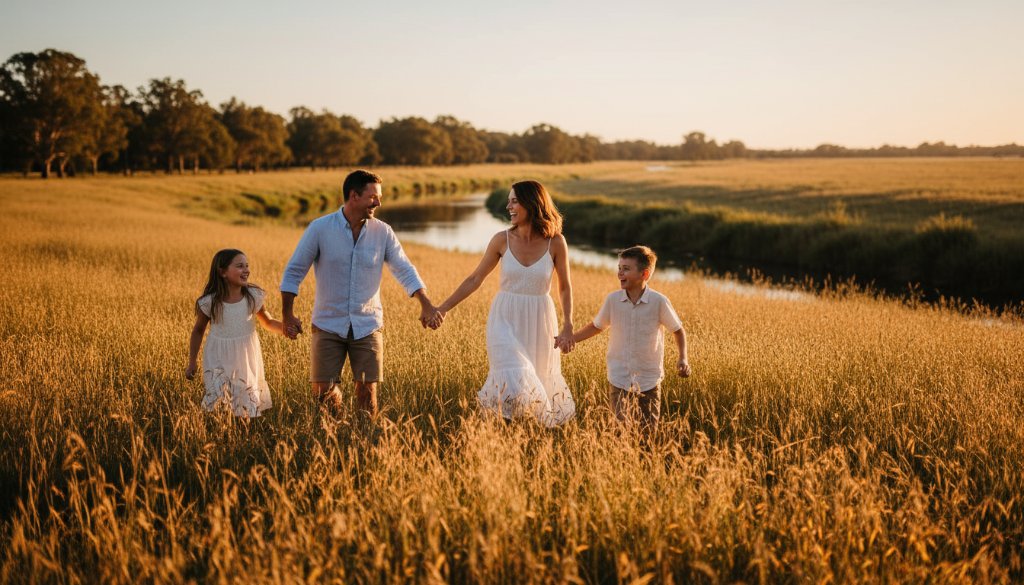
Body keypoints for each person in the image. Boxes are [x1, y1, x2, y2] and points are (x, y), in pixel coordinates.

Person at [280, 170, 441, 418]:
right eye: (373, 197)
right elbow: (294, 272)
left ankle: (365, 440)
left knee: (367, 392)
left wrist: (426, 304)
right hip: (327, 323)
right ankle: (333, 439)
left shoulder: (383, 232)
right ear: (353, 196)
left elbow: (405, 269)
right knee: (323, 393)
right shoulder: (320, 228)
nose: (378, 202)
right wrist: (287, 315)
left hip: (367, 325)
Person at [437, 180, 576, 426]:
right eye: (508, 200)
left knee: (537, 378)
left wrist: (568, 325)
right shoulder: (501, 240)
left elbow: (564, 286)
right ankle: (500, 431)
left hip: (540, 319)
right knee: (513, 371)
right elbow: (474, 278)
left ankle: (523, 437)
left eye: (514, 201)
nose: (508, 206)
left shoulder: (555, 242)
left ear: (532, 203)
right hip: (504, 318)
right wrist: (443, 308)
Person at [569, 245, 691, 435]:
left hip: (649, 381)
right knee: (620, 433)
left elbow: (678, 330)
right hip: (619, 379)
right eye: (619, 267)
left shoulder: (659, 302)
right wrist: (570, 339)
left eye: (626, 269)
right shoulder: (613, 300)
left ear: (644, 274)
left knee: (647, 435)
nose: (619, 273)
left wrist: (683, 358)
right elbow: (596, 326)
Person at [186, 249, 285, 417]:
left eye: (247, 266)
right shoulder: (210, 302)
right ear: (222, 272)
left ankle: (241, 435)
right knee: (219, 401)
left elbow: (267, 322)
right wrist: (192, 362)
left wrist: (286, 328)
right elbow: (198, 331)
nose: (246, 270)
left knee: (244, 401)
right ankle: (221, 435)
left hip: (245, 357)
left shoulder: (252, 296)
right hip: (217, 356)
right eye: (240, 266)